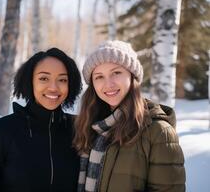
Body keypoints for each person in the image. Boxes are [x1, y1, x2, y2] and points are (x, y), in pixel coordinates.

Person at [73, 40, 185, 192]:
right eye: (99, 77)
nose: (108, 84)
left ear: (132, 76)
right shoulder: (89, 126)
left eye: (116, 73)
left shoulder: (159, 132)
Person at [0, 48, 82, 192]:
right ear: (29, 81)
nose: (53, 87)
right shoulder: (2, 131)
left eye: (62, 80)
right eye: (44, 78)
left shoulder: (79, 129)